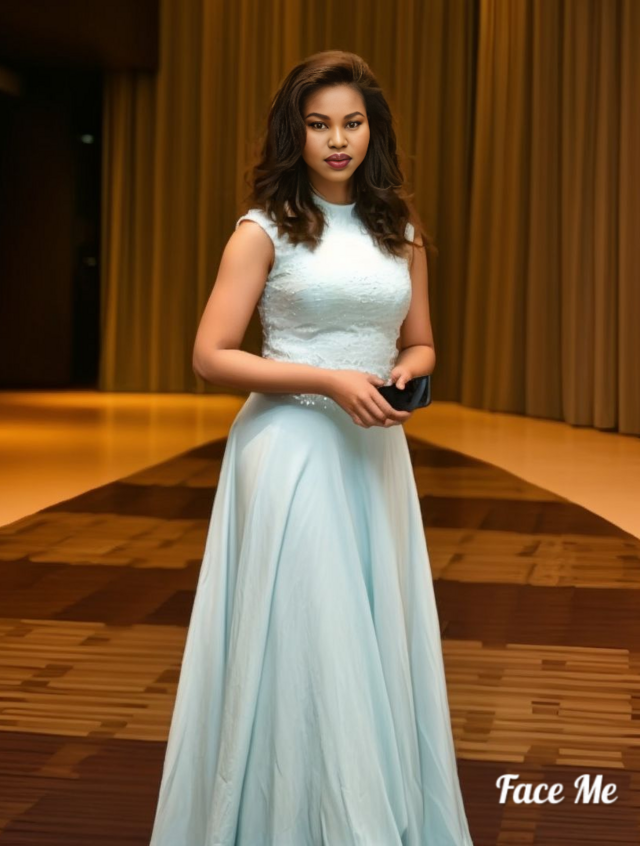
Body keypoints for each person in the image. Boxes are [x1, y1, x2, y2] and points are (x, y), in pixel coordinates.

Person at [149, 49, 474, 846]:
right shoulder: (262, 230)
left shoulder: (401, 231)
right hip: (289, 452)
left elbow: (422, 340)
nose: (337, 140)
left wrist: (407, 369)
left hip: (373, 457)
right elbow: (211, 354)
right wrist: (328, 381)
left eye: (351, 123)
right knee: (309, 634)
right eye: (319, 124)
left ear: (373, 130)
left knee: (366, 634)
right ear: (292, 134)